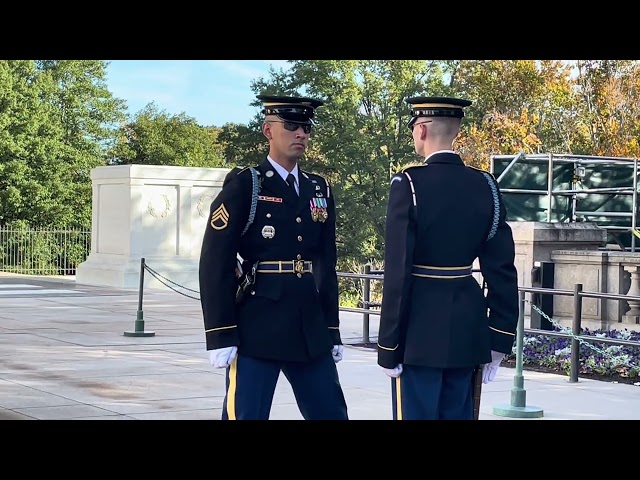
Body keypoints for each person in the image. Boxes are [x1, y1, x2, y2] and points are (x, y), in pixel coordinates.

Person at [198, 94, 348, 420]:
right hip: (258, 326)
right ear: (268, 130)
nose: (301, 134)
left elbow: (325, 263)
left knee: (331, 413)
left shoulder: (317, 188)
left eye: (306, 127)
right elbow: (215, 260)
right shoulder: (246, 185)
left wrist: (332, 327)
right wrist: (220, 332)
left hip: (309, 327)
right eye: (292, 125)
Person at [376, 96, 519, 420]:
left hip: (418, 335)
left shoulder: (408, 184)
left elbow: (397, 274)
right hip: (467, 332)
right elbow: (502, 270)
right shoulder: (486, 185)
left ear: (422, 130)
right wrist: (499, 338)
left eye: (414, 129)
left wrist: (388, 347)